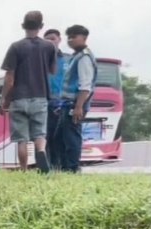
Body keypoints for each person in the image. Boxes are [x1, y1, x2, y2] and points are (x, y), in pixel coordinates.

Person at [0, 10, 57, 172]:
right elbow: (53, 70)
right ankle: (41, 151)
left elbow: (10, 77)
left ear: (23, 26)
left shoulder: (15, 47)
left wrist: (4, 100)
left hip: (19, 99)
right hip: (40, 96)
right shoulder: (49, 46)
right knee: (40, 134)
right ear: (41, 26)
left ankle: (24, 170)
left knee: (21, 139)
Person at [57, 24, 97, 173]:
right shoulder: (75, 56)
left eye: (74, 37)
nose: (70, 40)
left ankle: (72, 169)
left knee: (71, 137)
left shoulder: (84, 57)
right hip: (67, 104)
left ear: (84, 38)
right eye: (69, 37)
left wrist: (79, 107)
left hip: (75, 104)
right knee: (60, 137)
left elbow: (85, 86)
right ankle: (64, 168)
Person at [44, 28, 70, 170]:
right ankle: (51, 166)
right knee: (48, 137)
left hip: (65, 104)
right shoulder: (40, 60)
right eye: (47, 39)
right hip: (46, 104)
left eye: (52, 39)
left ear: (59, 40)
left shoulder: (68, 59)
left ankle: (66, 167)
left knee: (65, 137)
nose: (50, 42)